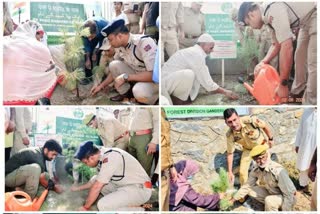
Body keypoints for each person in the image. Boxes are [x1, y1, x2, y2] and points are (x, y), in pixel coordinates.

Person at [238, 2, 317, 104]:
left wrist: (282, 84)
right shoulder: (267, 20)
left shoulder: (272, 10)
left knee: (313, 62)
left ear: (251, 15)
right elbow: (276, 44)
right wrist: (263, 62)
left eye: (249, 24)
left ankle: (311, 102)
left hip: (314, 15)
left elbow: (287, 46)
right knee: (299, 57)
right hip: (304, 24)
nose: (251, 27)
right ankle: (298, 93)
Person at [73, 141, 152, 211]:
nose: (87, 165)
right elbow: (95, 181)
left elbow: (97, 186)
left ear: (91, 158)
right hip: (125, 186)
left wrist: (85, 207)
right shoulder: (101, 157)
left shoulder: (111, 156)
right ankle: (124, 204)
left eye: (86, 163)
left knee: (103, 205)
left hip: (140, 189)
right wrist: (77, 189)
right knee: (97, 180)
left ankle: (141, 210)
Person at [161, 33, 238, 105]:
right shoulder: (196, 54)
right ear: (203, 44)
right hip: (165, 84)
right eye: (211, 47)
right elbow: (207, 81)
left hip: (168, 81)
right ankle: (177, 100)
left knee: (191, 74)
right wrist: (225, 92)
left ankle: (179, 98)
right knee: (189, 74)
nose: (212, 50)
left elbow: (204, 78)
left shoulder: (195, 52)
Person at [102, 19, 158, 104]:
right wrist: (101, 86)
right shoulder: (120, 46)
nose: (110, 43)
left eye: (110, 40)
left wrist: (126, 77)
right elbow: (114, 70)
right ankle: (126, 94)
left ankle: (151, 100)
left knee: (139, 91)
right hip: (136, 75)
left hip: (152, 80)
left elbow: (154, 75)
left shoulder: (144, 43)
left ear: (120, 36)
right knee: (113, 65)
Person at [230, 144, 297, 211]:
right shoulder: (256, 170)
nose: (261, 161)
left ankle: (273, 206)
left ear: (267, 155)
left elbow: (289, 194)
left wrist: (285, 210)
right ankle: (272, 206)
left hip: (287, 198)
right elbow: (247, 186)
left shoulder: (278, 171)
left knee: (269, 201)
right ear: (254, 160)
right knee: (250, 190)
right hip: (273, 193)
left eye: (263, 157)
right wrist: (233, 199)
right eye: (258, 159)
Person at [224, 108, 274, 186]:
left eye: (235, 120)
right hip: (248, 150)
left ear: (238, 117)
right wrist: (230, 172)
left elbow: (264, 126)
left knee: (266, 168)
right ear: (226, 123)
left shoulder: (250, 121)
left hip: (261, 146)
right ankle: (245, 193)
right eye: (230, 122)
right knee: (242, 172)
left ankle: (269, 187)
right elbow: (230, 153)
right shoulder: (230, 135)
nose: (233, 124)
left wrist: (270, 139)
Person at [128, 108, 158, 176]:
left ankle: (145, 186)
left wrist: (154, 142)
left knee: (144, 168)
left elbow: (157, 121)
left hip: (144, 138)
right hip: (132, 137)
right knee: (132, 167)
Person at [295, 108, 317, 192]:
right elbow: (300, 129)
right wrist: (297, 144)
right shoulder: (307, 111)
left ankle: (315, 190)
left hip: (316, 146)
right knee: (304, 164)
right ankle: (304, 186)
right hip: (305, 144)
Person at [81, 17, 109, 85]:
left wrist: (96, 52)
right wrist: (88, 59)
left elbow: (104, 43)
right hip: (95, 35)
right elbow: (87, 45)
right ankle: (88, 76)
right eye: (88, 37)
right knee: (87, 53)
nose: (90, 39)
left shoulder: (104, 26)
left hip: (103, 37)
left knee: (101, 53)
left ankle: (99, 76)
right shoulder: (83, 31)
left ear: (96, 32)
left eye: (91, 37)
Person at [161, 108, 178, 211]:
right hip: (161, 167)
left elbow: (166, 141)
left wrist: (171, 166)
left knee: (164, 206)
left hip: (164, 167)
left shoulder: (162, 111)